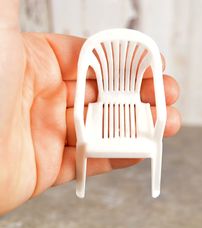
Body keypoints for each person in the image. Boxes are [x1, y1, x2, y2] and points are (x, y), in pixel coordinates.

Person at [0, 0, 181, 215]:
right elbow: (80, 94)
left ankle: (154, 186)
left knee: (163, 118)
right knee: (88, 138)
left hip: (132, 101)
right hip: (102, 101)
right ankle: (81, 185)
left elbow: (159, 89)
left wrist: (157, 125)